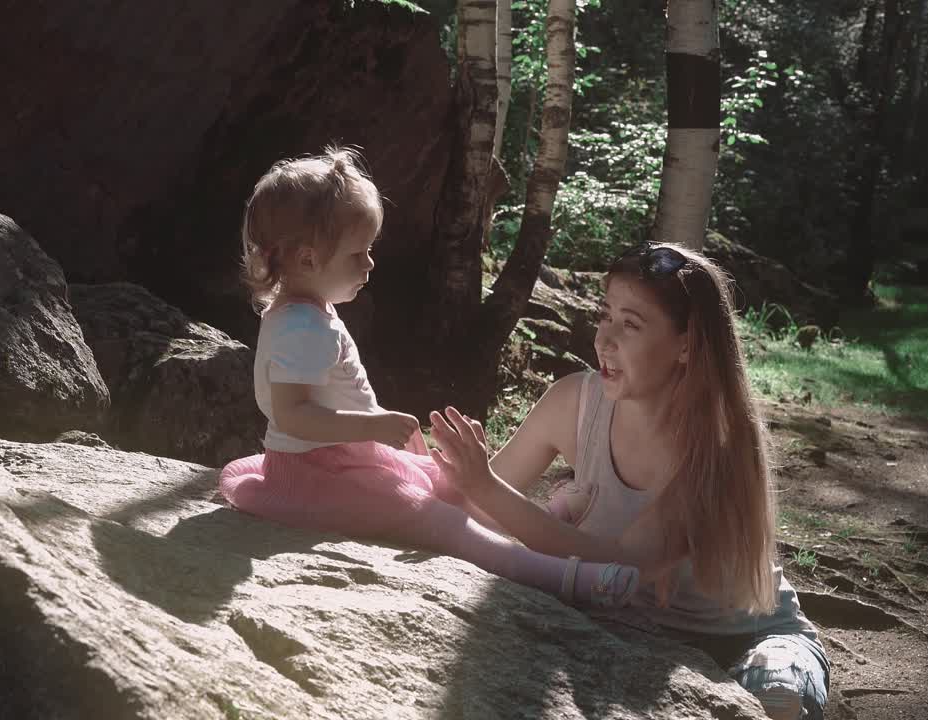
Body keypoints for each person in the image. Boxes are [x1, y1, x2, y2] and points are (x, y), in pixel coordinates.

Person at [219, 146, 648, 609]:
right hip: (317, 477)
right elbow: (293, 415)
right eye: (358, 253)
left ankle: (548, 523)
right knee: (441, 521)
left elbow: (328, 399)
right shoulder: (301, 327)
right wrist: (373, 427)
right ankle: (568, 578)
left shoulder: (305, 311)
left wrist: (380, 432)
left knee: (446, 484)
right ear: (306, 260)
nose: (370, 265)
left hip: (344, 460)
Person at [427, 242, 830, 720]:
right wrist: (426, 476)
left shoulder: (717, 441)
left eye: (631, 325)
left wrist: (486, 487)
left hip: (749, 636)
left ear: (687, 343)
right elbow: (475, 504)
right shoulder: (574, 403)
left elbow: (624, 562)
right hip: (632, 627)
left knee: (777, 702)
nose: (604, 340)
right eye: (604, 316)